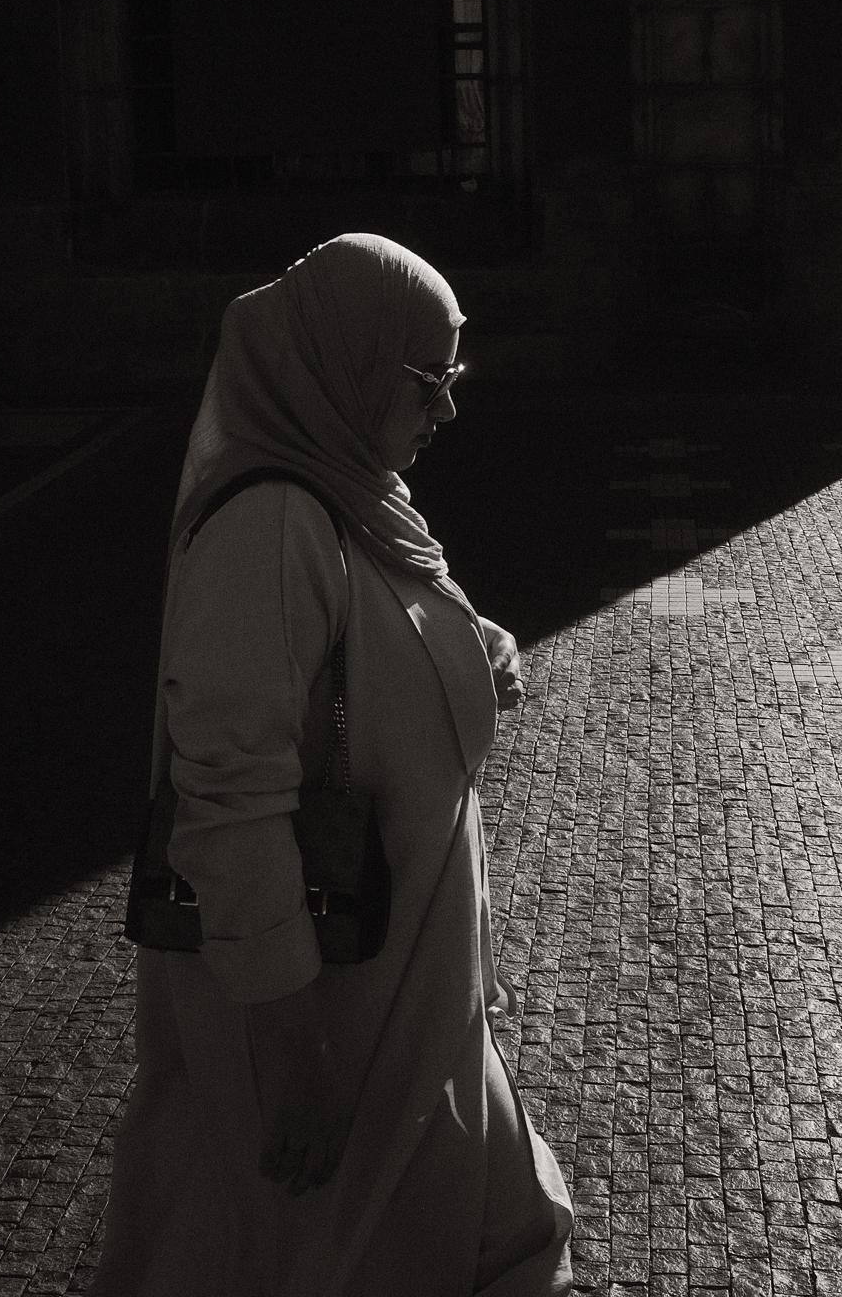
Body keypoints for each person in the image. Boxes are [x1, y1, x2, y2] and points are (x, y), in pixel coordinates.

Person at [90, 233, 574, 1297]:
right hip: (326, 1017)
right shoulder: (270, 523)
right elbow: (226, 796)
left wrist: (468, 642)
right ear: (344, 367)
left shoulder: (351, 492)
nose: (445, 409)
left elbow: (376, 629)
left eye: (454, 378)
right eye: (424, 382)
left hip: (401, 997)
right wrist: (296, 1055)